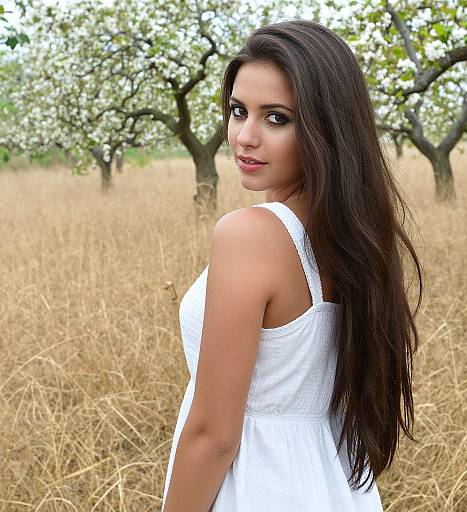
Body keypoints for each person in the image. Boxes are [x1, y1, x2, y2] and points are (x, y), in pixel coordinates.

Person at [161, 19, 423, 512]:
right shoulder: (356, 235)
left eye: (277, 118)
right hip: (334, 484)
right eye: (239, 111)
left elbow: (214, 435)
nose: (245, 136)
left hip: (257, 486)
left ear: (327, 129)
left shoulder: (250, 234)